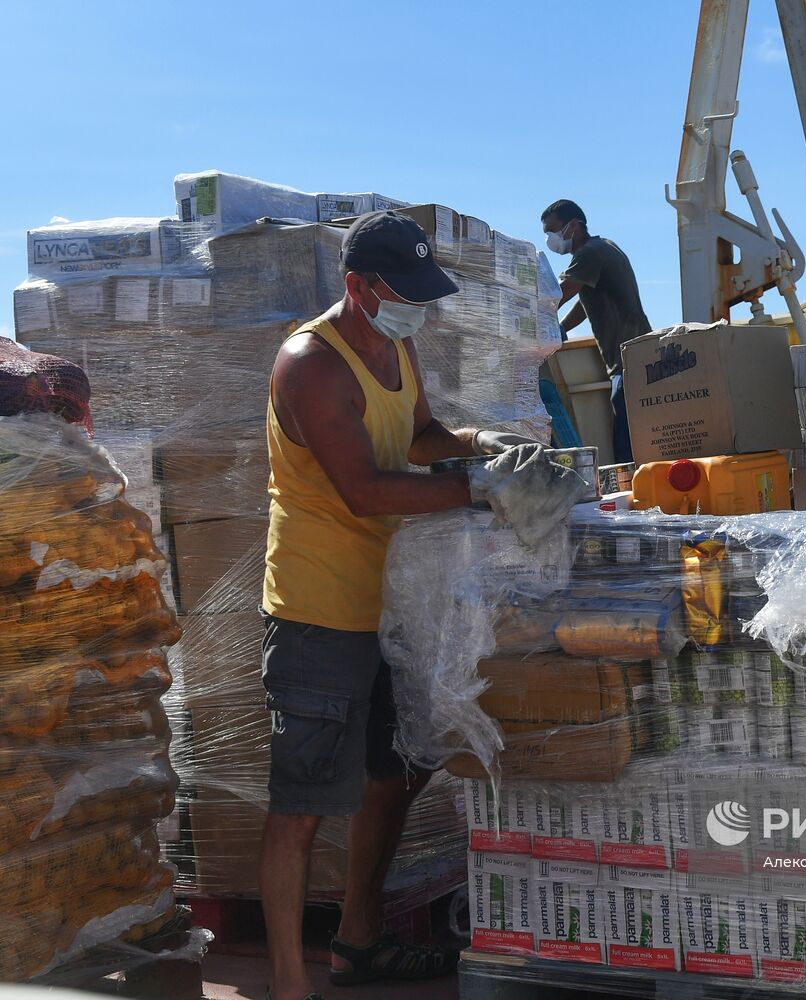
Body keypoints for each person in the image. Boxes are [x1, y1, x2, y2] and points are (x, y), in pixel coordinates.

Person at [259, 210, 540, 1000]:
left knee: (398, 768)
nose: (419, 307)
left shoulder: (397, 344)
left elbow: (416, 438)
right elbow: (362, 490)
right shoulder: (311, 364)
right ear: (359, 286)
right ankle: (289, 983)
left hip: (394, 597)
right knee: (303, 801)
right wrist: (484, 493)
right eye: (404, 292)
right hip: (319, 606)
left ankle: (358, 939)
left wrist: (484, 443)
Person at [541, 199, 652, 464]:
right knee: (632, 429)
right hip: (637, 353)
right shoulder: (605, 247)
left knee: (627, 437)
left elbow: (557, 295)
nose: (550, 239)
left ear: (573, 225)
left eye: (553, 231)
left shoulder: (588, 254)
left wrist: (525, 315)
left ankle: (635, 490)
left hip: (628, 358)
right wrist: (561, 328)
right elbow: (585, 300)